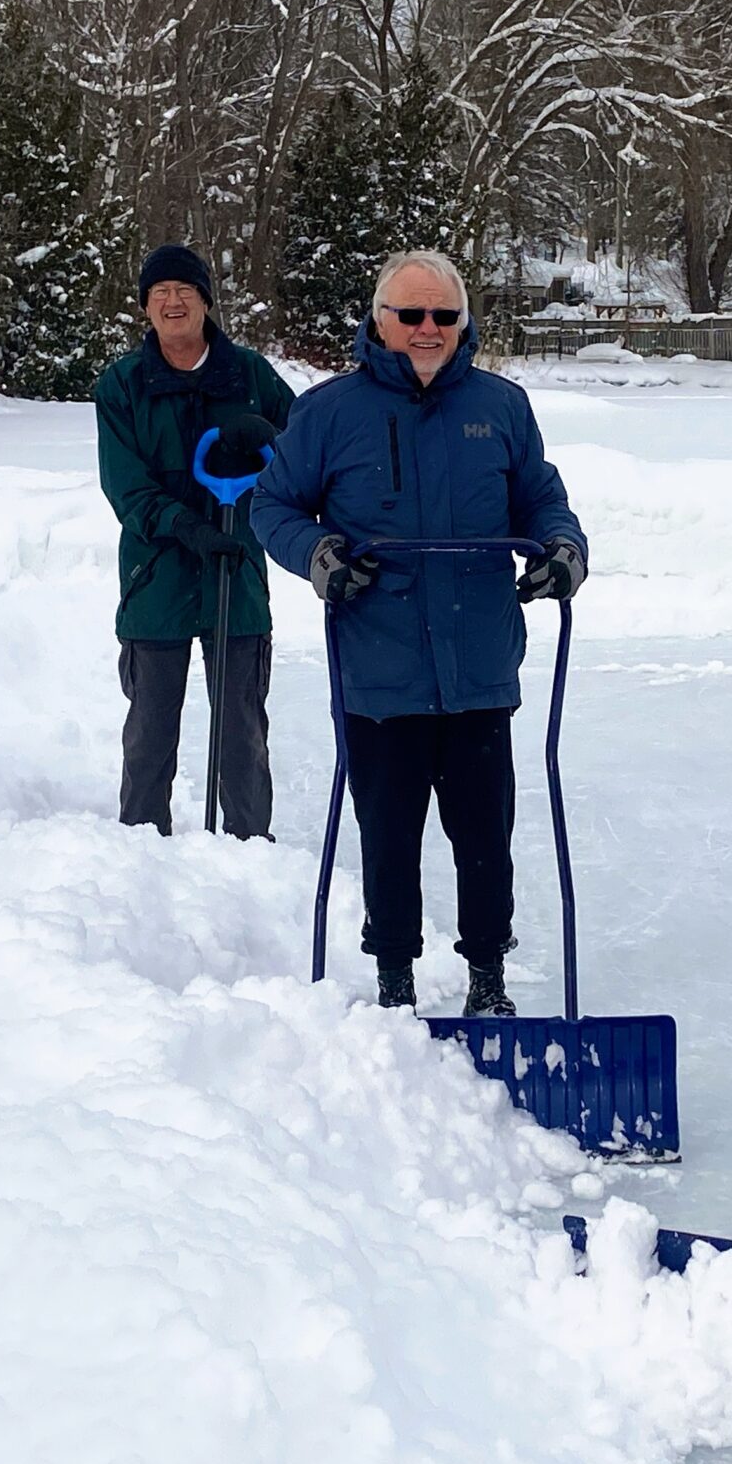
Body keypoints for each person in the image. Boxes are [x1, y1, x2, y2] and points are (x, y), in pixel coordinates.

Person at [252, 249, 586, 1015]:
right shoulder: (330, 412)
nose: (428, 329)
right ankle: (394, 983)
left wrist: (564, 551)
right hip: (378, 670)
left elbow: (541, 499)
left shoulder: (500, 407)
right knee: (389, 839)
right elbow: (272, 507)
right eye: (412, 315)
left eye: (444, 315)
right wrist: (318, 554)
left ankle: (488, 984)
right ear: (380, 320)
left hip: (477, 667)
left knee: (484, 840)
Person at [93, 243, 297, 838]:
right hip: (156, 576)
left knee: (241, 729)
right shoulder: (123, 384)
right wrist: (186, 527)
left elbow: (305, 450)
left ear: (206, 302)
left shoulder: (250, 374)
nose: (173, 301)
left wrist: (269, 440)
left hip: (237, 571)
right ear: (146, 309)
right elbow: (126, 486)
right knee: (151, 728)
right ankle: (140, 846)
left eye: (185, 290)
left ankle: (250, 849)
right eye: (160, 293)